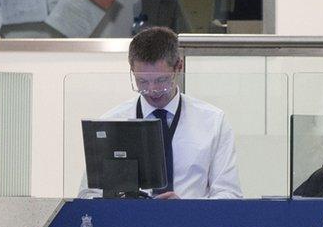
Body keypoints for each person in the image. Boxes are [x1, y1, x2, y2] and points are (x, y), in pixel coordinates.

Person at [94, 26, 242, 199]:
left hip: (191, 224)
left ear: (179, 66)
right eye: (142, 81)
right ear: (132, 70)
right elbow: (89, 195)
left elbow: (230, 195)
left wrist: (184, 210)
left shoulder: (213, 121)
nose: (152, 90)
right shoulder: (112, 123)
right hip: (130, 223)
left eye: (161, 80)